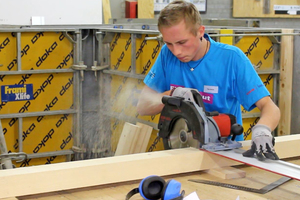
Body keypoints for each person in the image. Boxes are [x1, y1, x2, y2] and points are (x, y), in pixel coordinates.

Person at [136, 0, 280, 160]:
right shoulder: (166, 55)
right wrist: (174, 94)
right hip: (179, 150)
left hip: (225, 156)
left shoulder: (231, 58)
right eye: (169, 43)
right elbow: (142, 107)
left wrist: (263, 130)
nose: (176, 51)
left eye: (182, 42)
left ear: (200, 31)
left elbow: (270, 107)